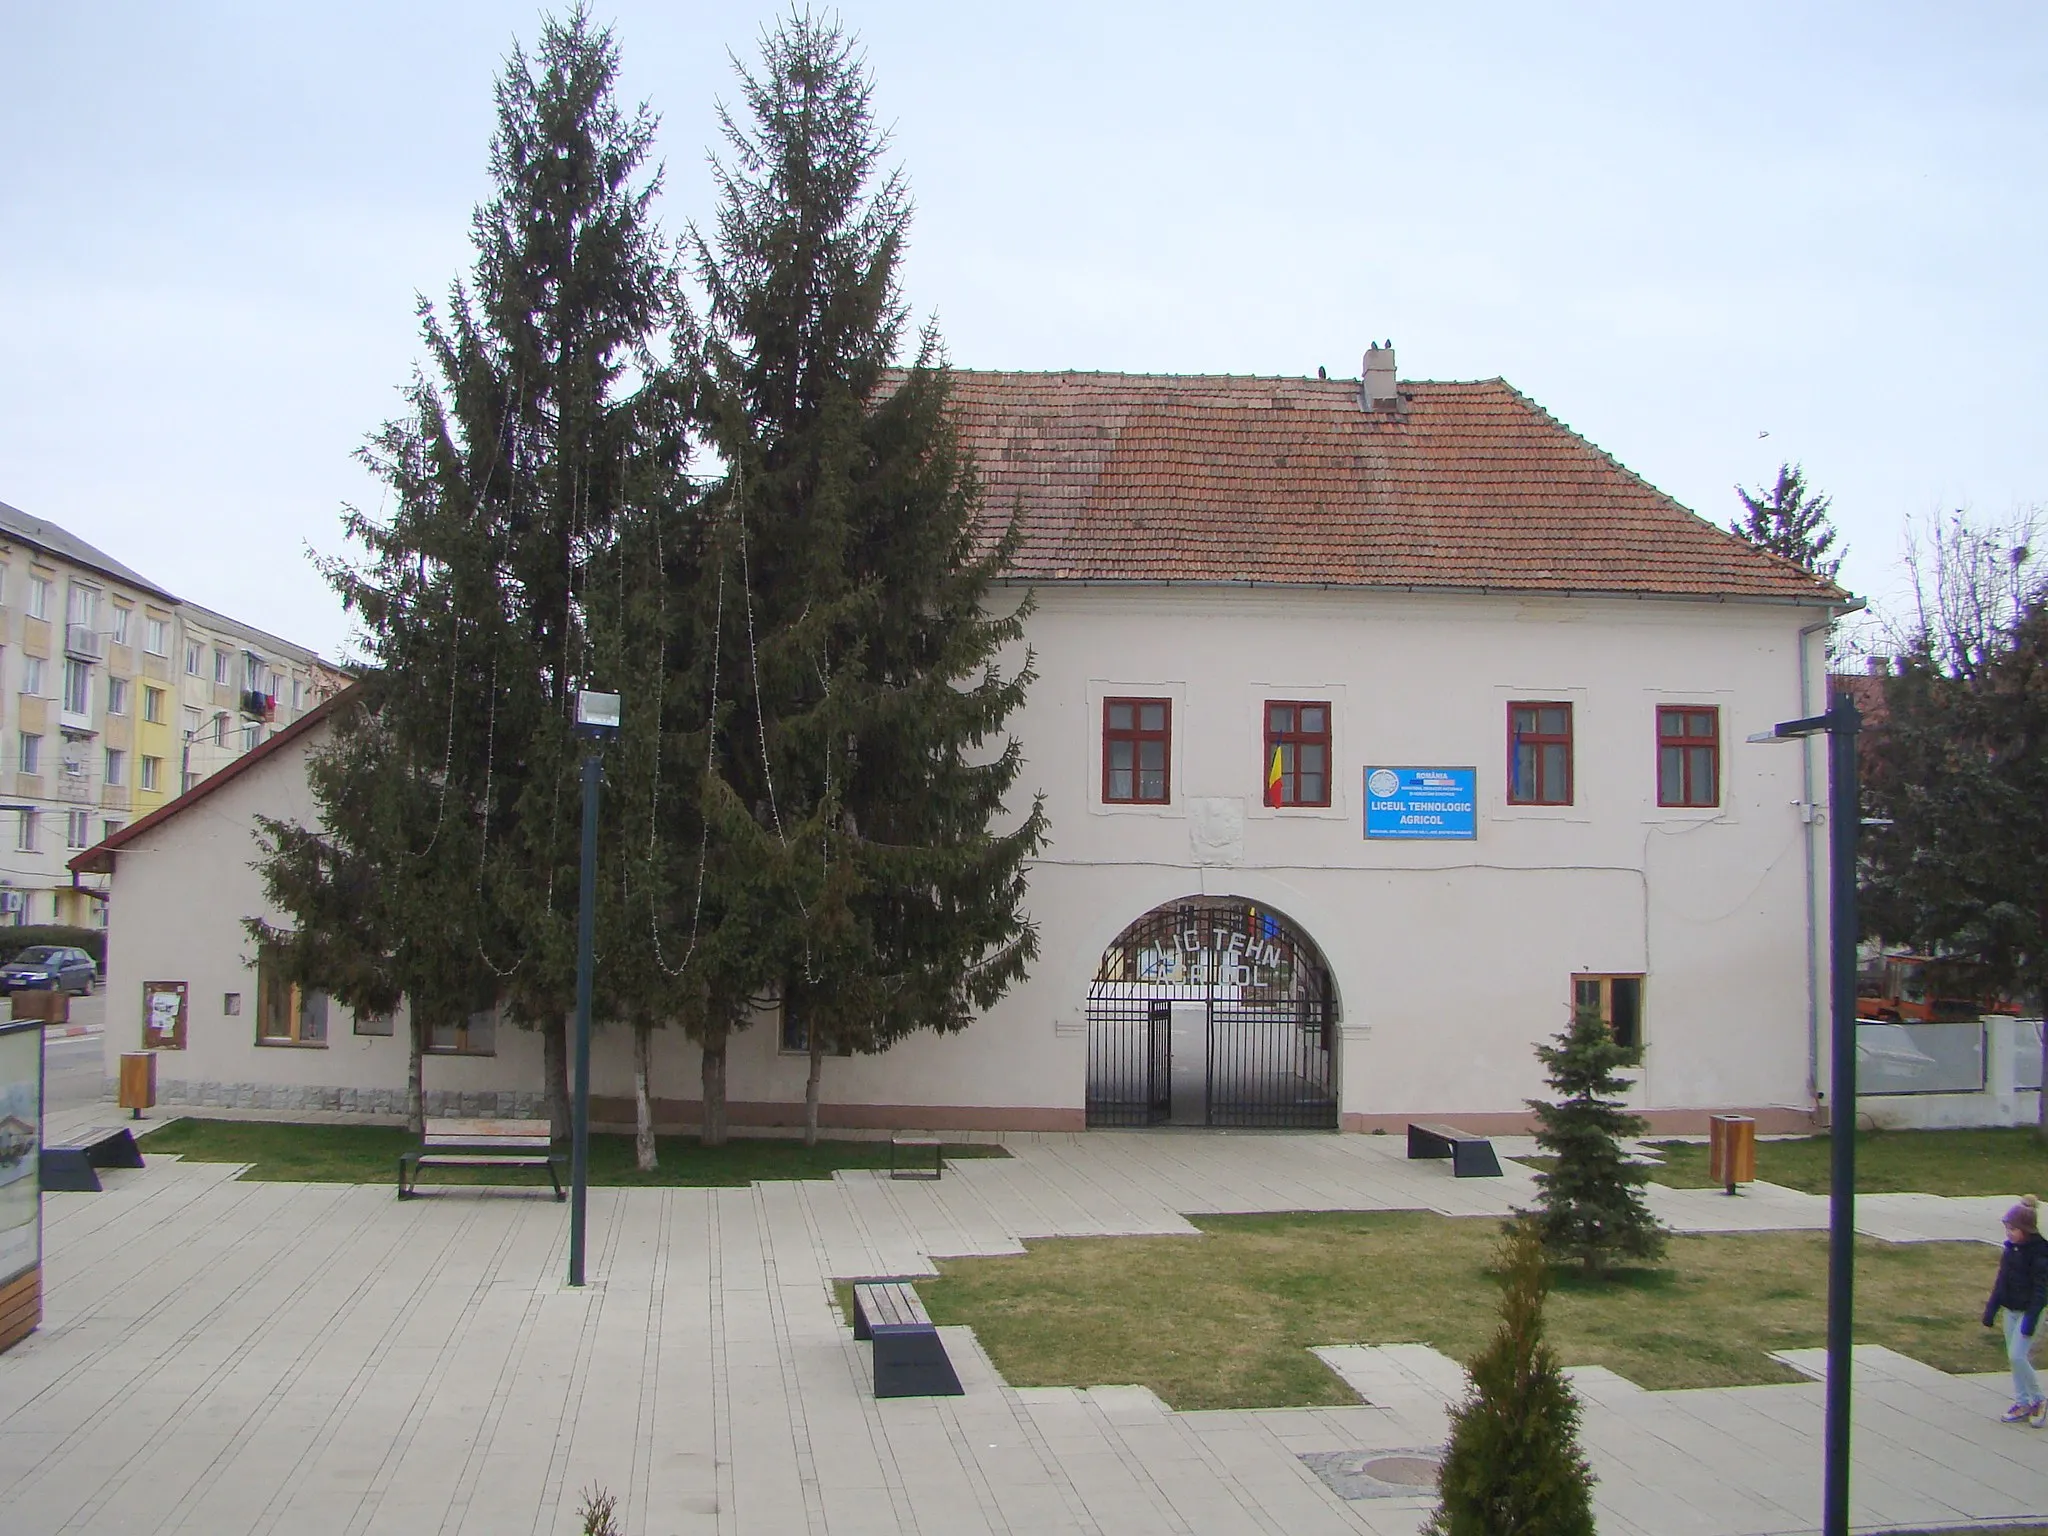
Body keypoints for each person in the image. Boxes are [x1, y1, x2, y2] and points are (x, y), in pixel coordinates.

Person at [1983, 1193, 2048, 1424]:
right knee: (2014, 1358)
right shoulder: (2011, 1250)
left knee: (2017, 1355)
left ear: (2026, 1229)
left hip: (2030, 1312)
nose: (2009, 1233)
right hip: (2011, 1310)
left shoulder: (2040, 1253)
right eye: (2007, 1228)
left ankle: (2039, 1399)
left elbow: (2041, 1291)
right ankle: (2022, 1402)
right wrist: (1991, 1310)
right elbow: (2002, 1281)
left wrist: (2031, 1320)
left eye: (2013, 1229)